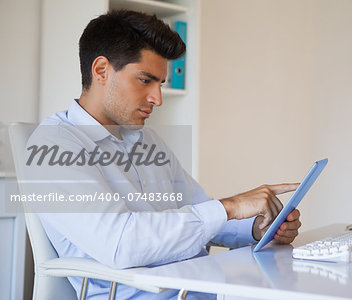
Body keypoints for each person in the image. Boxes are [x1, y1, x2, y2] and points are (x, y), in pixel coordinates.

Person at [25, 10, 301, 299]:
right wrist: (229, 206)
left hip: (202, 288)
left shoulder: (146, 141)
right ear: (101, 70)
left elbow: (200, 212)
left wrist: (258, 227)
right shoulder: (54, 148)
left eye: (160, 84)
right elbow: (121, 244)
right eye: (145, 80)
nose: (157, 98)